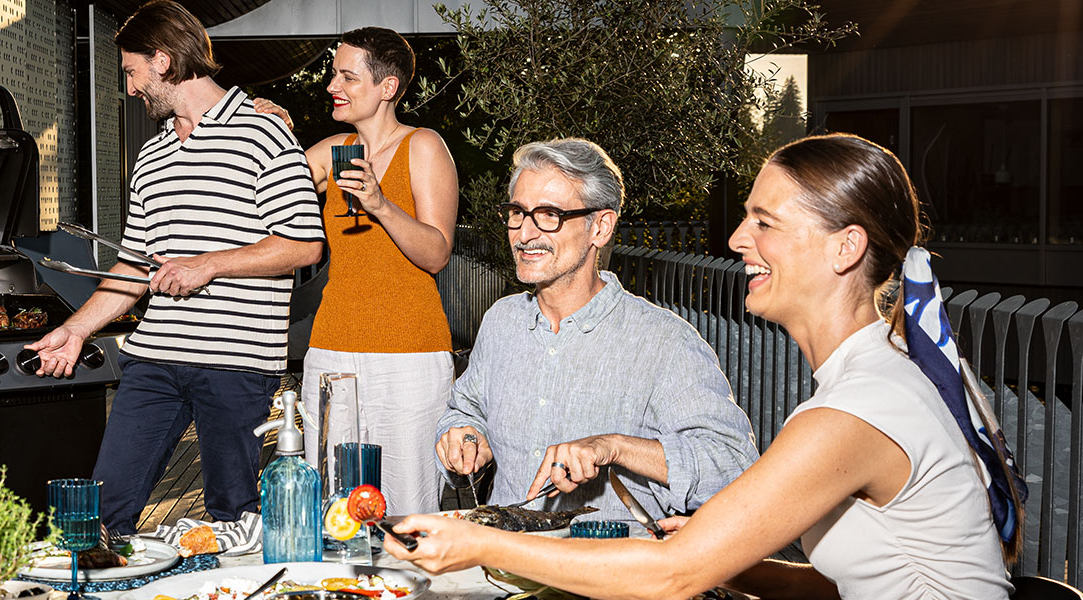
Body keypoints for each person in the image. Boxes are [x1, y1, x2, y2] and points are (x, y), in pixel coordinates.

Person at [390, 134, 1022, 600]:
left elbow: (674, 575)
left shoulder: (857, 409)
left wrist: (478, 542)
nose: (736, 239)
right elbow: (858, 584)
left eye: (764, 222)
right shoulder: (871, 380)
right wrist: (728, 560)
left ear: (845, 248)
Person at [25, 0, 323, 535]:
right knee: (102, 512)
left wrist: (206, 265)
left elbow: (303, 244)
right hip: (154, 359)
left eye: (131, 71)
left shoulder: (265, 134)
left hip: (236, 363)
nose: (130, 88)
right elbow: (132, 266)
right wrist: (76, 329)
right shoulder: (151, 156)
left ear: (162, 61)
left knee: (234, 516)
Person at [432, 138, 756, 524]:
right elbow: (465, 409)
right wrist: (466, 435)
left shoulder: (664, 342)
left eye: (549, 214)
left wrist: (615, 447)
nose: (524, 234)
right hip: (500, 551)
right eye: (517, 212)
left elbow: (735, 467)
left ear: (600, 227)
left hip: (605, 560)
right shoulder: (501, 321)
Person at [250, 27, 459, 517]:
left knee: (407, 507)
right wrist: (273, 134)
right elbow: (264, 190)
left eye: (347, 76)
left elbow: (437, 253)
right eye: (333, 74)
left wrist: (380, 204)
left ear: (388, 87)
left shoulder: (423, 146)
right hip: (331, 350)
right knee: (333, 504)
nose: (332, 86)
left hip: (409, 355)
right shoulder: (333, 150)